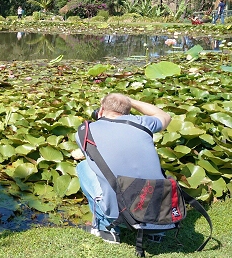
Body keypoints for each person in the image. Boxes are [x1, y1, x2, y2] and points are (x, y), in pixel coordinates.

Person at [72, 93, 172, 244]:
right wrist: (131, 101)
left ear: (101, 110)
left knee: (84, 166)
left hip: (121, 213)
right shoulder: (143, 122)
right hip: (158, 212)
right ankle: (155, 231)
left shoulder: (85, 132)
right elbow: (164, 116)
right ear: (128, 111)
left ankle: (106, 229)